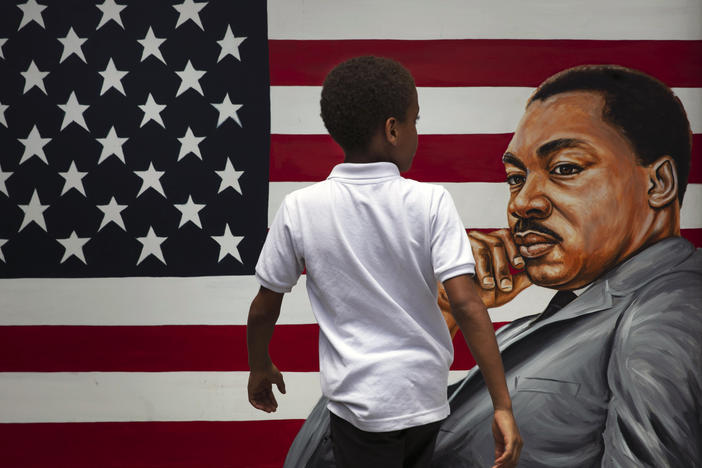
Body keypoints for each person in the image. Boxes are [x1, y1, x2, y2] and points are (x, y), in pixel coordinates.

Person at [285, 64, 702, 467]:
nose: (522, 202)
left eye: (565, 169)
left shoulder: (669, 311)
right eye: (516, 178)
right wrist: (435, 310)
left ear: (658, 183)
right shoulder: (547, 325)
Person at [247, 56, 522, 468]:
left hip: (359, 406)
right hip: (424, 398)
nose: (416, 133)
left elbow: (265, 304)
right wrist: (502, 404)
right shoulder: (431, 202)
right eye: (415, 121)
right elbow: (467, 304)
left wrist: (259, 365)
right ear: (393, 130)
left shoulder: (300, 208)